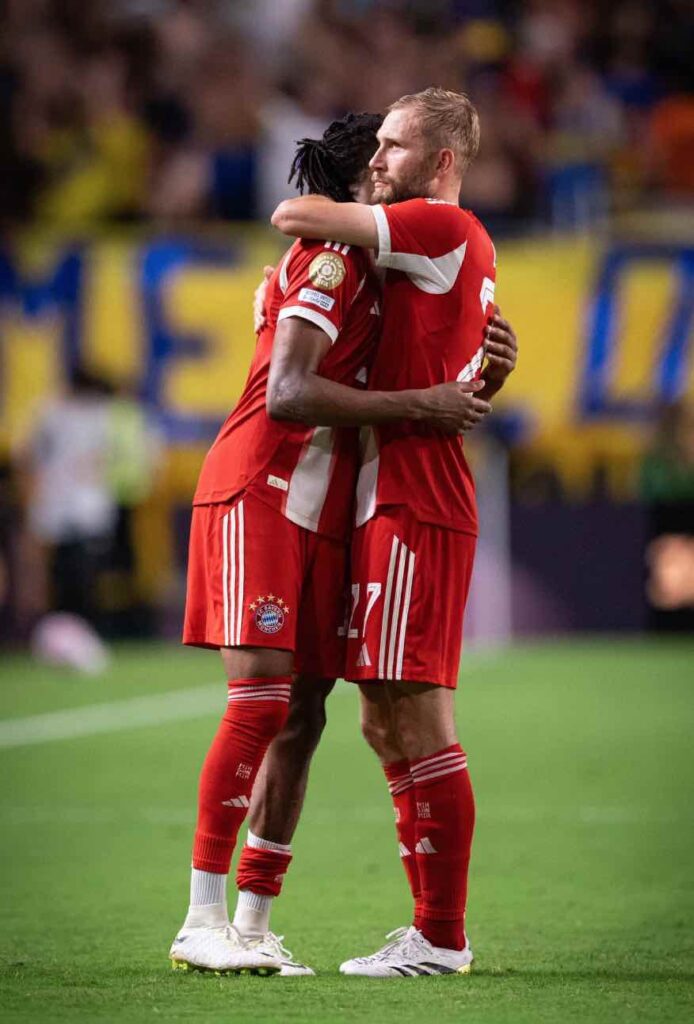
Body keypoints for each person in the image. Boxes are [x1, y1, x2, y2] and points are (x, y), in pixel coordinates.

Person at [170, 111, 498, 976]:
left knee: (308, 713)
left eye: (399, 147)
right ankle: (204, 918)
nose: (387, 164)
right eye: (378, 153)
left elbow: (438, 349)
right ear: (363, 184)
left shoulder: (392, 262)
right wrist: (425, 400)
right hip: (265, 487)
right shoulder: (333, 258)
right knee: (268, 703)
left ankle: (256, 924)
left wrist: (482, 366)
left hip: (328, 507)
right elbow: (286, 393)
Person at [269, 87, 501, 976]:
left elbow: (294, 213)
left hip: (416, 497)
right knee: (380, 719)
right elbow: (461, 358)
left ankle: (442, 936)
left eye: (395, 146)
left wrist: (347, 212)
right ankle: (430, 929)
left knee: (418, 713)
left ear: (441, 162)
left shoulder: (438, 225)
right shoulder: (435, 248)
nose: (377, 159)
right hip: (390, 492)